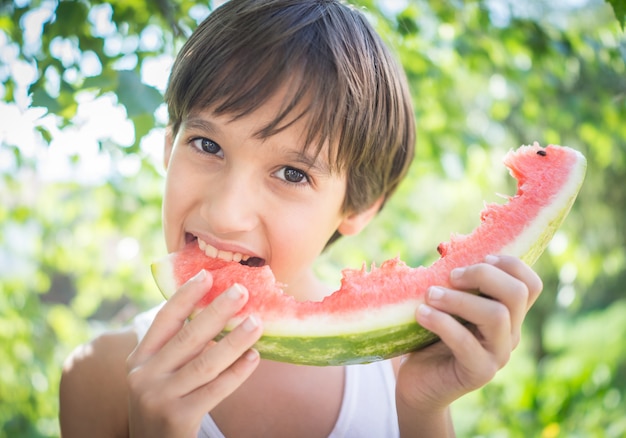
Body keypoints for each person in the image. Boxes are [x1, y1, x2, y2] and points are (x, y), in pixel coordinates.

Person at [59, 0, 543, 436]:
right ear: (169, 147)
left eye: (291, 173)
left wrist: (422, 410)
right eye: (207, 145)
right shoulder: (99, 376)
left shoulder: (402, 378)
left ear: (357, 207)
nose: (226, 214)